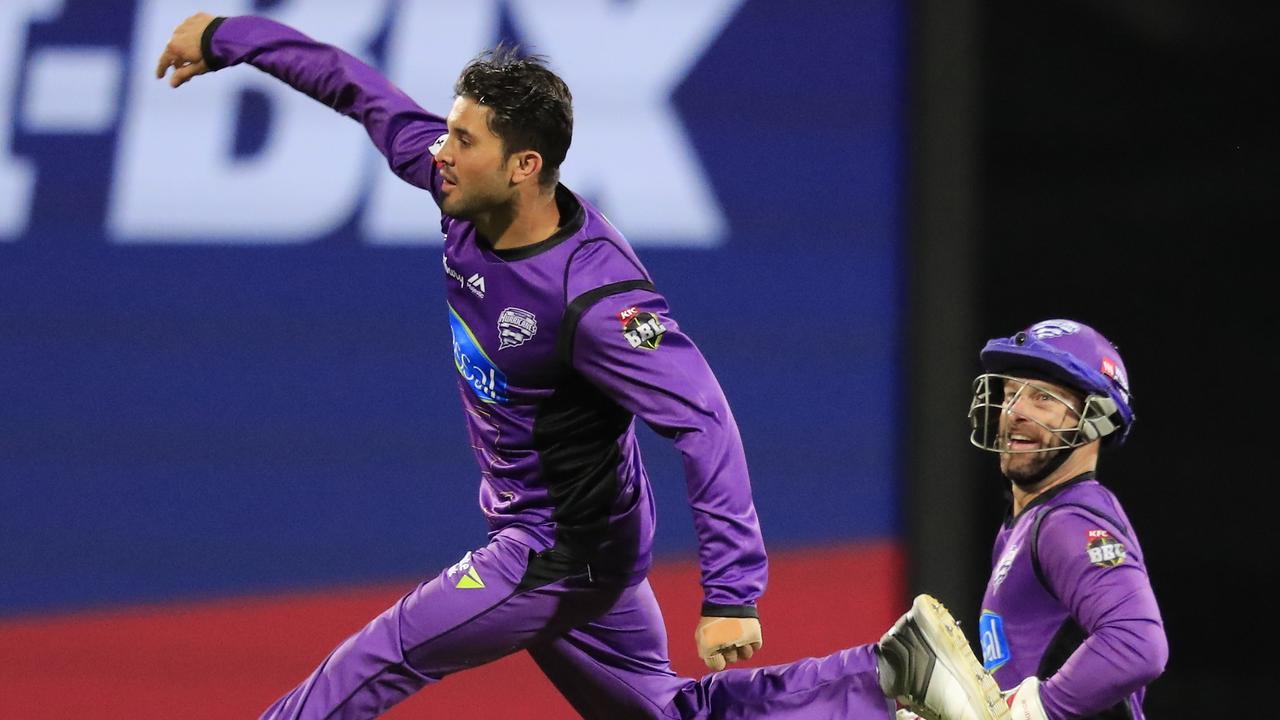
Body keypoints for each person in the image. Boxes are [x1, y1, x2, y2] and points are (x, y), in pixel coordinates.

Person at [155, 12, 1010, 720]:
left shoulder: (596, 302)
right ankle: (891, 671)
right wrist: (228, 36)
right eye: (447, 131)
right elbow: (357, 86)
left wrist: (731, 594)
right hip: (578, 538)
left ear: (525, 165)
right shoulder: (459, 193)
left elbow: (703, 419)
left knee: (378, 657)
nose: (439, 152)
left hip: (553, 551)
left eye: (463, 139)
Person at [966, 319, 1168, 719]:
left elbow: (1139, 644)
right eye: (1011, 393)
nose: (1015, 411)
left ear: (1095, 420)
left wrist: (1033, 710)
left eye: (1042, 398)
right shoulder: (1024, 526)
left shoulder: (1068, 522)